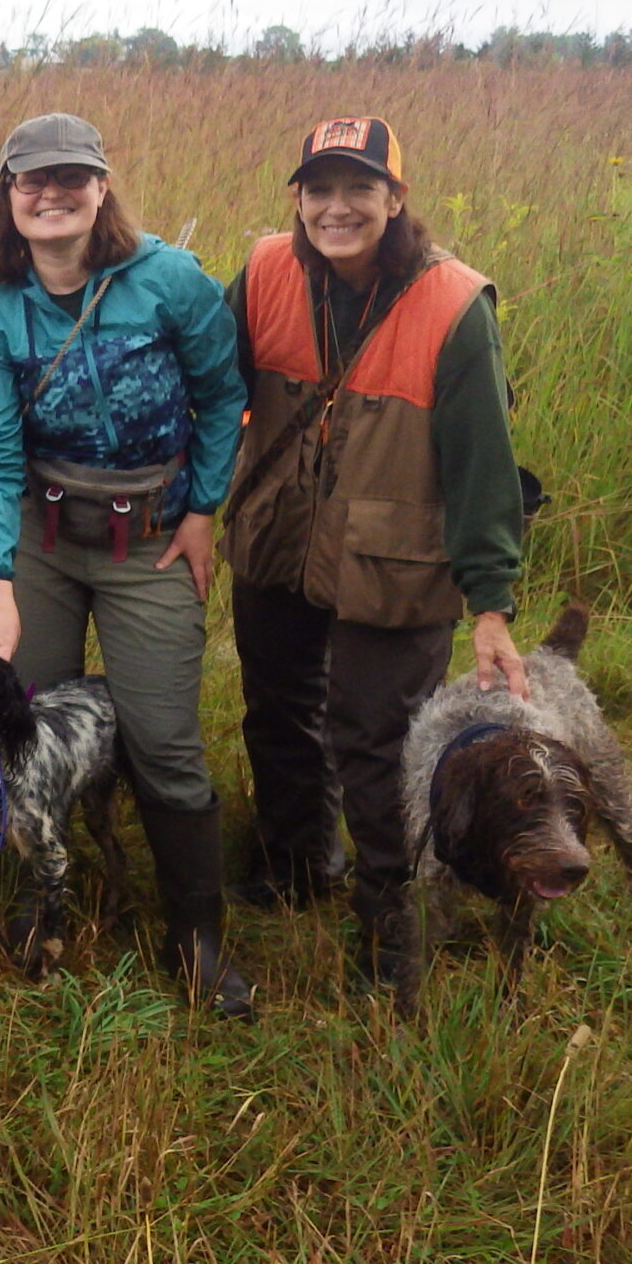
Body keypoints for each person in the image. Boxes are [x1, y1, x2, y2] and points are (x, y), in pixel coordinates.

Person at [0, 113, 253, 1017]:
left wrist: (202, 510)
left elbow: (223, 395)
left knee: (162, 739)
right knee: (22, 726)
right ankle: (33, 905)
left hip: (152, 537)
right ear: (9, 196)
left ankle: (194, 939)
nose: (51, 193)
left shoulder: (170, 281)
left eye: (71, 178)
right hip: (41, 540)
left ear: (101, 187)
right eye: (32, 180)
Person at [222, 116, 526, 996]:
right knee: (277, 712)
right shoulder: (266, 272)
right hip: (280, 538)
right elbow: (207, 384)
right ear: (298, 201)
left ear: (396, 199)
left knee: (379, 742)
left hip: (396, 561)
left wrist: (491, 606)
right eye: (319, 189)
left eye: (360, 187)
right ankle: (294, 863)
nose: (337, 208)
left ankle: (394, 922)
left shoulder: (455, 305)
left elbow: (482, 466)